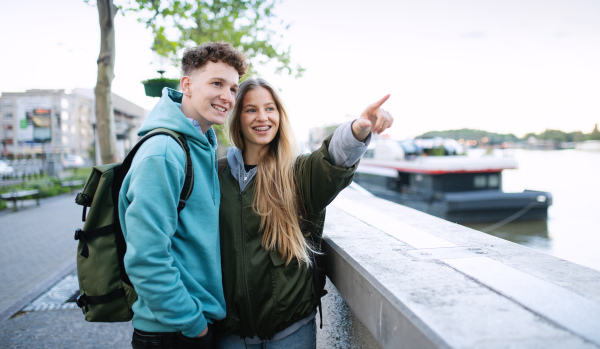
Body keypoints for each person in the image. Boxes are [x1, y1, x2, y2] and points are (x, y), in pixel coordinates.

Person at [215, 78, 393, 348]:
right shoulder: (215, 174)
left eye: (270, 108)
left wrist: (358, 129)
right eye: (251, 109)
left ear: (280, 115)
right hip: (229, 334)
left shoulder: (297, 174)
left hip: (291, 332)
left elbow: (331, 159)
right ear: (237, 117)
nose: (262, 117)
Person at [118, 42, 248, 349]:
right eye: (217, 83)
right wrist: (194, 325)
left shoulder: (200, 143)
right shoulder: (163, 153)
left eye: (233, 88)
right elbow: (146, 258)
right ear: (186, 85)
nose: (227, 97)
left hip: (186, 325)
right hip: (174, 332)